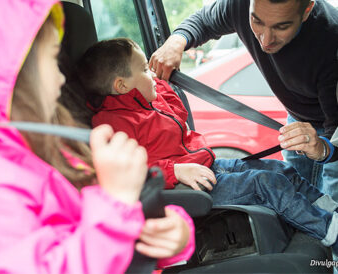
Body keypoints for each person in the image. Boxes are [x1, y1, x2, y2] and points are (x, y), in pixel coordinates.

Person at [0, 0, 195, 273]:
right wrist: (116, 204)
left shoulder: (51, 145)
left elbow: (104, 220)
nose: (62, 78)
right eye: (53, 60)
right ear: (10, 73)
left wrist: (173, 231)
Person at [76, 37, 338, 255]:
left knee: (279, 169)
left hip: (206, 164)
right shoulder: (112, 123)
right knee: (266, 184)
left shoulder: (148, 101)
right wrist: (175, 171)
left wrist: (160, 84)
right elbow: (125, 171)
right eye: (144, 69)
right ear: (122, 86)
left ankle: (328, 208)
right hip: (185, 185)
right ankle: (328, 231)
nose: (151, 74)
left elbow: (177, 117)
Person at [148, 0, 338, 200]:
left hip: (333, 125)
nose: (266, 39)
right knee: (297, 196)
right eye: (257, 21)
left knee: (332, 210)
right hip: (296, 119)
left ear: (306, 11)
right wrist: (175, 42)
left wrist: (322, 149)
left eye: (281, 27)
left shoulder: (331, 41)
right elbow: (205, 21)